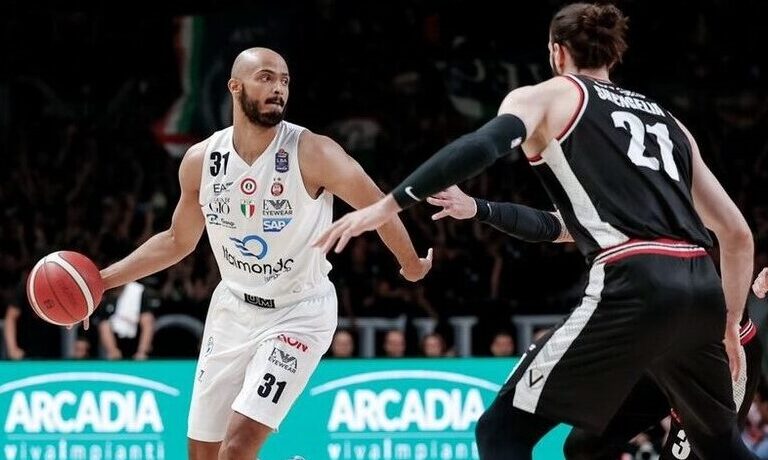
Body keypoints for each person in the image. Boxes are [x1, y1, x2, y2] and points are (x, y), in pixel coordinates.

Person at [314, 3, 756, 459]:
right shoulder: (668, 122)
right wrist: (727, 322)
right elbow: (737, 234)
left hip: (634, 280)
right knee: (718, 445)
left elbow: (482, 145)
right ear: (613, 55)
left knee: (501, 431)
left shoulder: (550, 96)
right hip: (702, 286)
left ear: (556, 52)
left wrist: (387, 205)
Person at [83, 48, 432, 460]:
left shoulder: (313, 152)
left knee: (237, 448)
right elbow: (177, 240)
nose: (278, 88)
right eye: (266, 77)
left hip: (299, 312)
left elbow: (379, 204)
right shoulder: (201, 161)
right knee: (202, 454)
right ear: (235, 87)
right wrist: (101, 282)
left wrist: (411, 264)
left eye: (284, 80)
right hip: (232, 309)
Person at [429, 183, 764, 458]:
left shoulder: (666, 181)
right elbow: (552, 225)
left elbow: (737, 235)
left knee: (718, 451)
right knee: (583, 448)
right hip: (652, 342)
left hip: (712, 348)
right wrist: (478, 208)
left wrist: (733, 315)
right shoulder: (611, 186)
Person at [95, 281, 159, 360]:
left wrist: (142, 351)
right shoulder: (105, 293)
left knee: (147, 320)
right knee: (104, 325)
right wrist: (112, 350)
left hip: (136, 340)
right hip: (114, 342)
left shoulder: (137, 291)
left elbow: (147, 323)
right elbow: (103, 324)